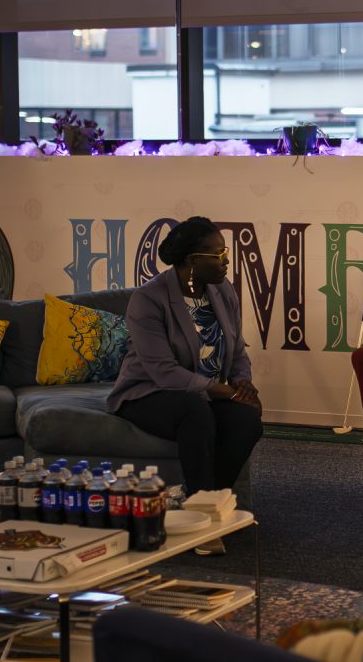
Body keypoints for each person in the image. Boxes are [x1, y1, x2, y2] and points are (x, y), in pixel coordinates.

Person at [108, 217, 263, 554]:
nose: (225, 261)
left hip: (205, 390)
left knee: (247, 420)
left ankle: (204, 510)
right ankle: (201, 521)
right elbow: (164, 372)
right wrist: (224, 391)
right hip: (148, 392)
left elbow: (236, 348)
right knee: (195, 411)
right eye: (218, 255)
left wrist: (242, 383)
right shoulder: (148, 299)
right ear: (193, 261)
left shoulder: (223, 291)